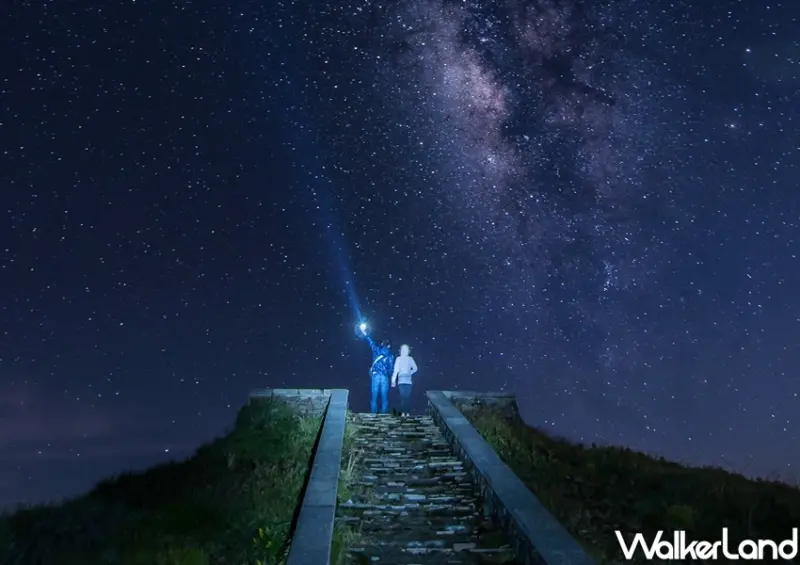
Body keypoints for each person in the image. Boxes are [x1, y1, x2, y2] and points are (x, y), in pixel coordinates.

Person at [358, 325, 394, 414]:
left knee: (374, 396)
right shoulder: (390, 355)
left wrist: (364, 332)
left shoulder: (376, 350)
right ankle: (383, 414)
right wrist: (388, 373)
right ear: (389, 346)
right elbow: (390, 368)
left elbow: (370, 341)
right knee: (384, 397)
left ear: (382, 344)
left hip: (375, 375)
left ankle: (373, 414)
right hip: (384, 377)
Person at [391, 344, 418, 416]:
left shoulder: (410, 359)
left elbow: (415, 368)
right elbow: (395, 370)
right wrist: (393, 380)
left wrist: (409, 373)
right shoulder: (398, 359)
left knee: (407, 397)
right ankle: (403, 412)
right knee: (403, 397)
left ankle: (407, 412)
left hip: (408, 381)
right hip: (401, 381)